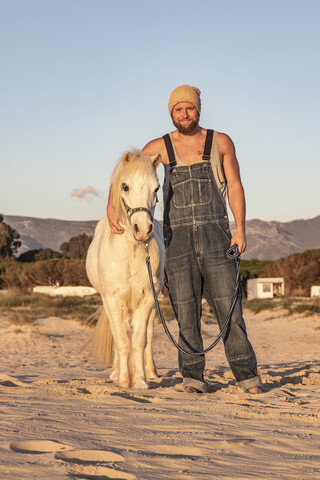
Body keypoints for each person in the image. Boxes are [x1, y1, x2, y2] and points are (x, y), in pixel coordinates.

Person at [107, 85, 262, 394]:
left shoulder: (221, 142)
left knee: (228, 307)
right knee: (185, 311)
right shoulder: (160, 147)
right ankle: (192, 379)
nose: (184, 114)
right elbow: (126, 172)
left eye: (189, 108)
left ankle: (247, 377)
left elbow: (235, 185)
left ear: (198, 110)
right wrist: (111, 208)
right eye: (178, 109)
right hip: (176, 239)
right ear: (171, 113)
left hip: (216, 236)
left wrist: (240, 228)